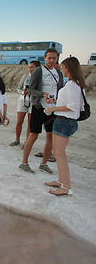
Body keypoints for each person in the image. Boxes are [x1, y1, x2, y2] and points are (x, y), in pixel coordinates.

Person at [43, 57, 86, 196]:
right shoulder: (76, 84)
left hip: (65, 121)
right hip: (64, 121)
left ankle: (66, 187)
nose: (61, 69)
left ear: (69, 68)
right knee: (58, 153)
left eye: (63, 67)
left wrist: (52, 109)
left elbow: (73, 106)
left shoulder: (72, 85)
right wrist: (56, 102)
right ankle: (61, 181)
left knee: (59, 154)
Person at [19, 49, 64, 174]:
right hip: (39, 108)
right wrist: (43, 95)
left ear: (57, 59)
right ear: (45, 58)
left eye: (54, 58)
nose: (51, 60)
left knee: (50, 136)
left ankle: (44, 163)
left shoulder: (58, 73)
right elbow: (32, 90)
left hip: (53, 109)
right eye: (49, 58)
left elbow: (60, 89)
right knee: (33, 135)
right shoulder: (39, 71)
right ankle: (24, 162)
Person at [10, 61, 39, 147]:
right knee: (19, 121)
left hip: (33, 101)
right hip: (23, 100)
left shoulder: (39, 78)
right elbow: (18, 88)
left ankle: (27, 142)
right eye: (29, 67)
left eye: (32, 67)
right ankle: (17, 139)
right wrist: (23, 92)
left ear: (37, 68)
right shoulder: (25, 76)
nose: (30, 69)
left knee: (30, 123)